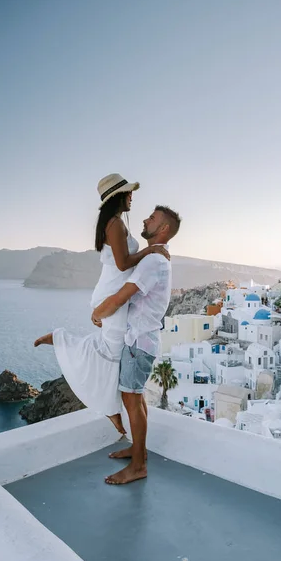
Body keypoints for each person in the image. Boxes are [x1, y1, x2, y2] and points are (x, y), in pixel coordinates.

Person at [34, 173, 169, 435]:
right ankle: (108, 405)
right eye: (129, 193)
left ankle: (110, 408)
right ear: (118, 196)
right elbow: (123, 263)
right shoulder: (114, 224)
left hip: (113, 289)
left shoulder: (114, 223)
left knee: (112, 351)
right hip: (113, 291)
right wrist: (150, 250)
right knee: (112, 351)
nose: (132, 196)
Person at [90, 205, 181, 485]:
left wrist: (98, 313)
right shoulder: (155, 258)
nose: (145, 219)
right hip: (141, 339)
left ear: (163, 229)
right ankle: (137, 449)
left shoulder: (154, 261)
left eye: (152, 218)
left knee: (131, 399)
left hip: (138, 341)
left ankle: (139, 465)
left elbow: (122, 296)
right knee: (136, 398)